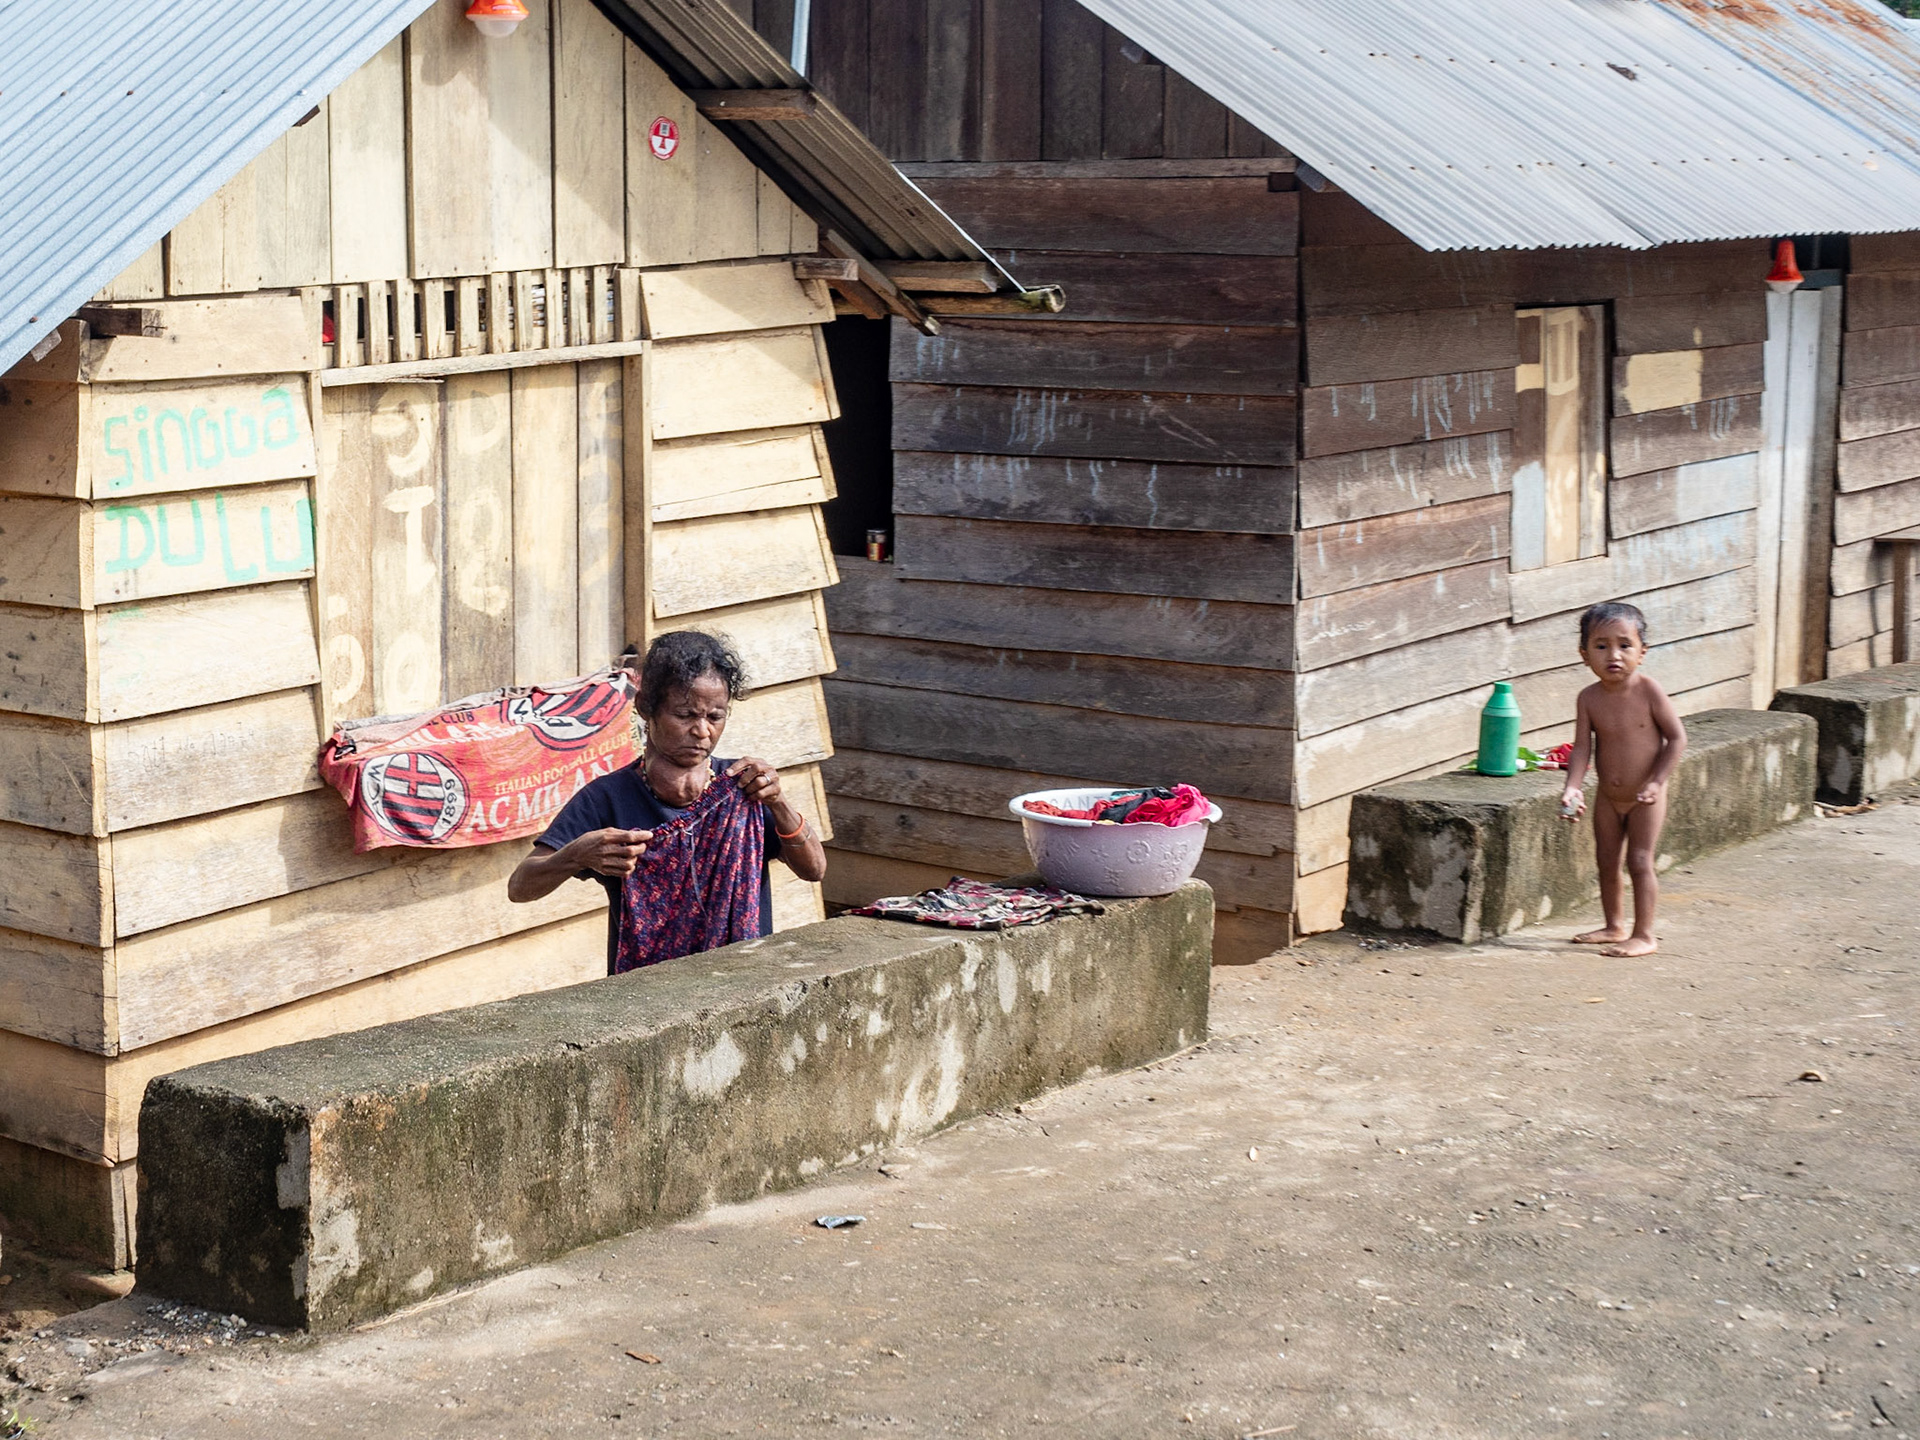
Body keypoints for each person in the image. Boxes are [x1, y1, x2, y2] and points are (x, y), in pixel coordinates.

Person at [506, 631, 827, 973]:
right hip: (649, 997)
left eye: (715, 717)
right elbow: (520, 887)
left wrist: (778, 803)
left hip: (740, 983)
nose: (702, 731)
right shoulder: (607, 798)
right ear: (646, 709)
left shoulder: (746, 789)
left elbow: (814, 870)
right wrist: (576, 854)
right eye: (685, 715)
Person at [1558, 601, 1687, 958]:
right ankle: (1614, 925)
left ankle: (1644, 934)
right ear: (1584, 655)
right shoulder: (1588, 698)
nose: (1613, 655)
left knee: (1640, 861)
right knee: (1606, 860)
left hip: (1646, 796)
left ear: (1642, 652)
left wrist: (1657, 782)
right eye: (1601, 646)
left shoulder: (1649, 691)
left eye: (1624, 645)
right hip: (1607, 798)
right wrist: (1573, 787)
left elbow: (1677, 739)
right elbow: (1582, 748)